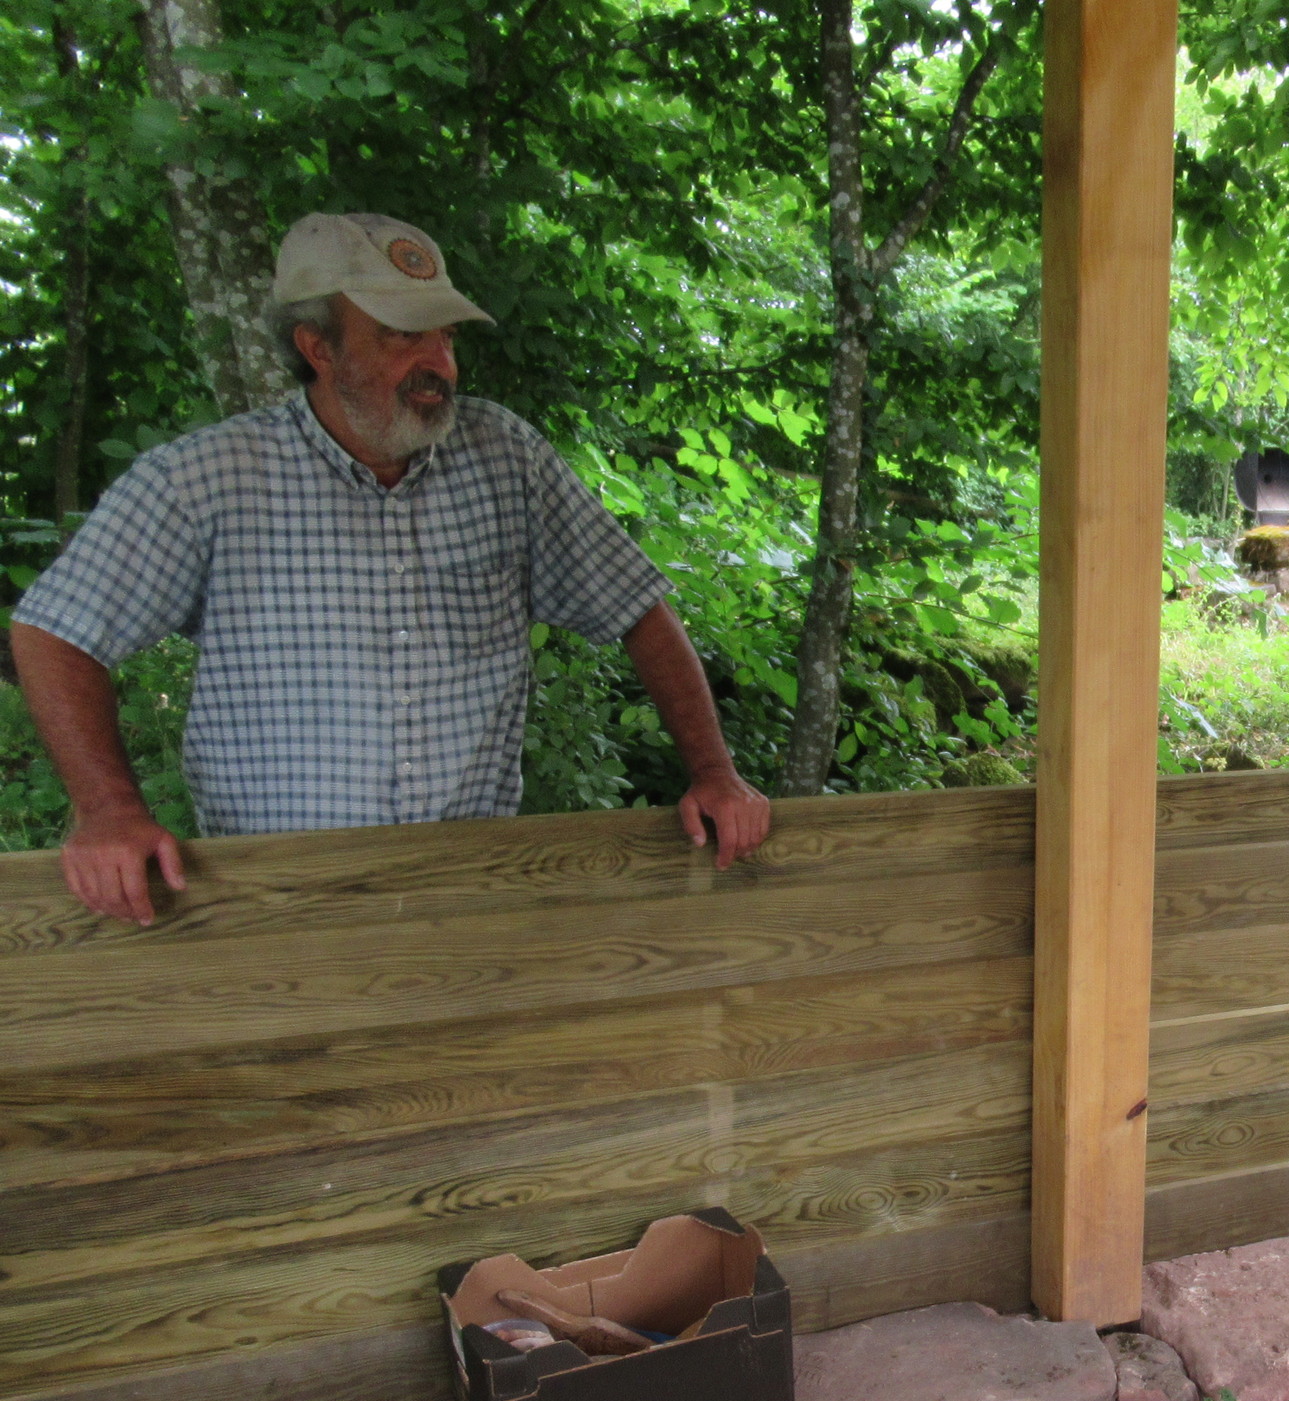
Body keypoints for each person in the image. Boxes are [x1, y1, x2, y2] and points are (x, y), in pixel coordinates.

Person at [11, 211, 770, 925]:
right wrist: (110, 810)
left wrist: (715, 772)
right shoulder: (208, 480)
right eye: (403, 336)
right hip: (273, 900)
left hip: (468, 895)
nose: (438, 364)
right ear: (318, 347)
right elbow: (56, 632)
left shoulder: (504, 457)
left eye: (445, 336)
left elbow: (636, 606)